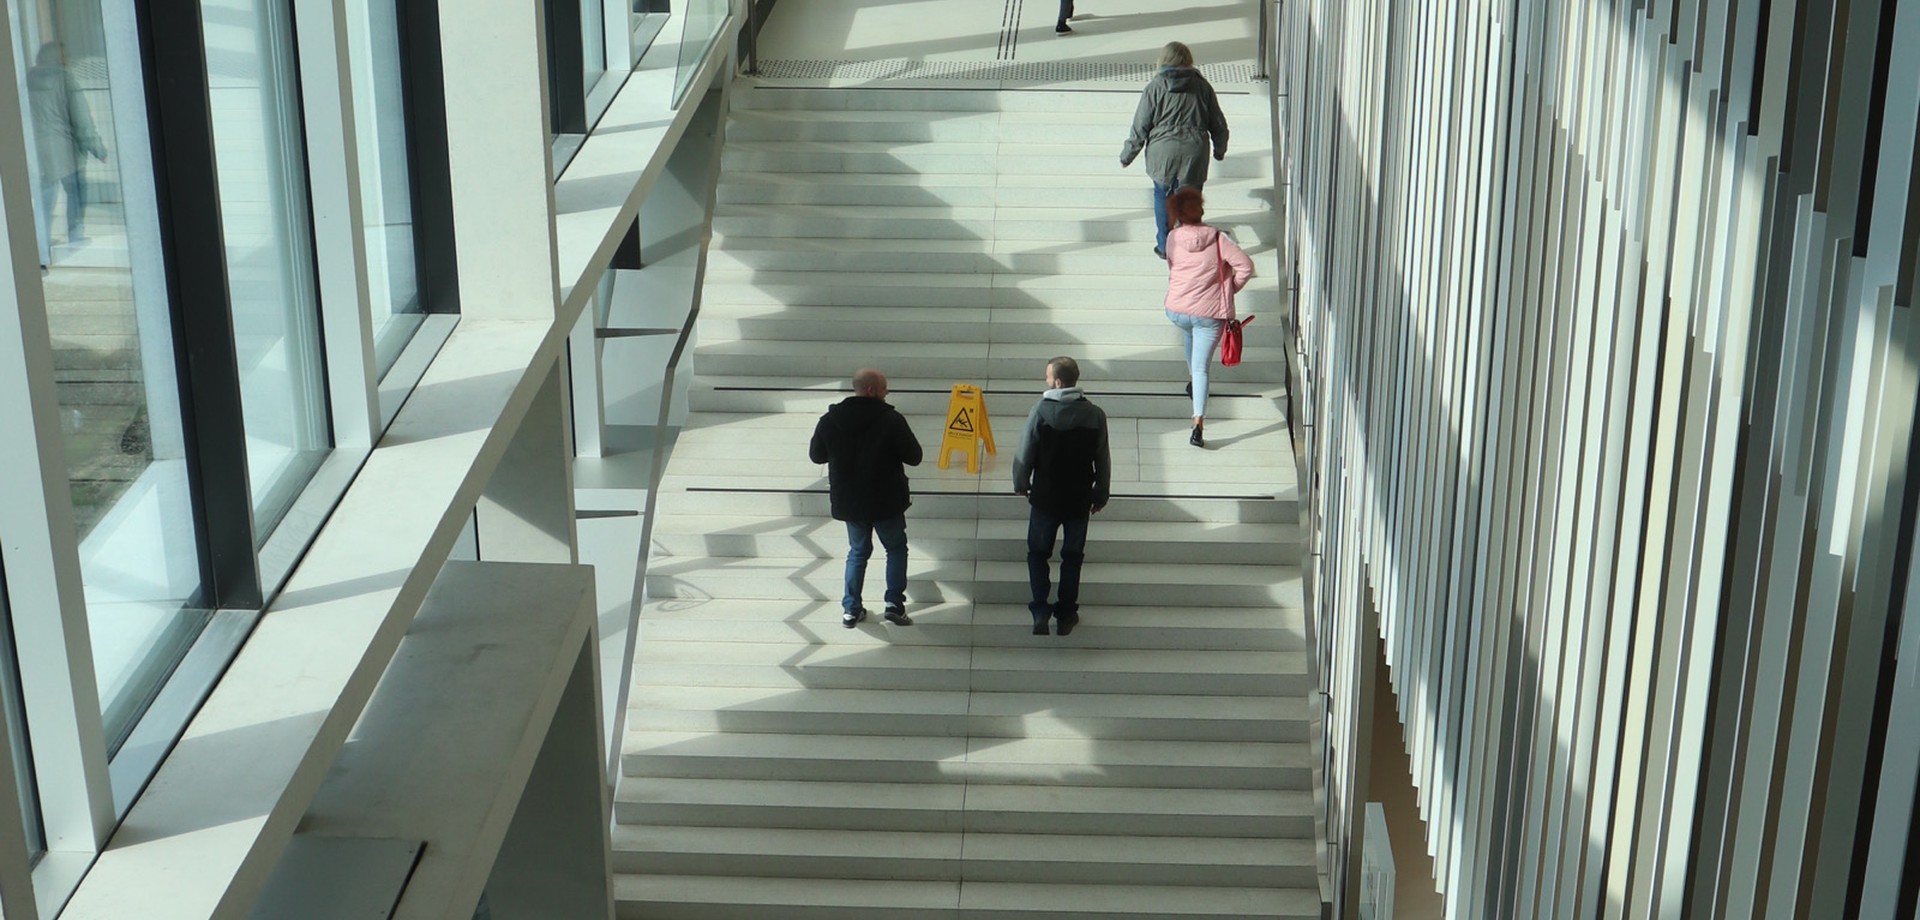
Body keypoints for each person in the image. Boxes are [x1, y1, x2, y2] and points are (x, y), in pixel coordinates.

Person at [809, 368, 923, 628]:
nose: (887, 392)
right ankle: (894, 604)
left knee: (858, 552)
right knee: (895, 549)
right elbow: (914, 456)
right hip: (887, 501)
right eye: (884, 388)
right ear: (871, 390)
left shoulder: (830, 419)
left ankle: (851, 609)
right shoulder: (891, 419)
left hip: (851, 501)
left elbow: (817, 455)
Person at [1012, 356, 1111, 636]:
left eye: (1046, 376)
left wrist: (1021, 483)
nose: (1045, 381)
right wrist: (1100, 494)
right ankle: (1066, 614)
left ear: (1057, 381)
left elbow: (1024, 453)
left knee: (1037, 553)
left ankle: (1040, 610)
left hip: (1045, 497)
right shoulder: (1094, 415)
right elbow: (1102, 459)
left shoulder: (1040, 411)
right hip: (1079, 499)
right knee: (1072, 556)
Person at [1119, 41, 1228, 260]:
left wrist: (1128, 154)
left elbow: (1140, 125)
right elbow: (1218, 122)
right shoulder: (1202, 87)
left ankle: (1165, 246)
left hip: (1162, 151)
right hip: (1194, 151)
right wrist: (1219, 148)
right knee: (1189, 199)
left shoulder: (1155, 87)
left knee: (1162, 195)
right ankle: (1192, 245)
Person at [1164, 187, 1253, 448]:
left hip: (1177, 310)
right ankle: (1198, 423)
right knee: (1202, 367)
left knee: (1189, 331)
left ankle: (1192, 383)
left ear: (1178, 215)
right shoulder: (1218, 239)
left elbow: (1172, 266)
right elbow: (1246, 266)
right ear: (1201, 210)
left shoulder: (1172, 237)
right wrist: (1229, 289)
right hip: (1210, 312)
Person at [26, 42, 108, 267]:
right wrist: (98, 149)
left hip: (39, 151)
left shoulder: (27, 80)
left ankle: (41, 252)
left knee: (45, 201)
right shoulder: (66, 79)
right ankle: (75, 237)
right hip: (67, 152)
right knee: (77, 192)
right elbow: (82, 119)